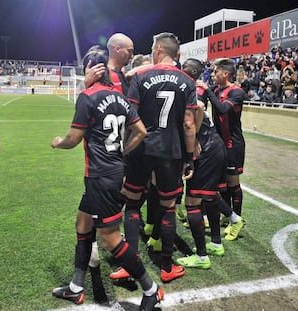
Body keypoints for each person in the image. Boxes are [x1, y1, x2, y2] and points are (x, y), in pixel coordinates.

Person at [51, 47, 164, 310]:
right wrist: (123, 152)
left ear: (90, 70)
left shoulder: (87, 97)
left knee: (110, 238)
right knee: (82, 223)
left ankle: (151, 289)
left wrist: (58, 143)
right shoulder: (120, 97)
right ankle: (77, 288)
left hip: (102, 177)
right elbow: (141, 131)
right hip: (109, 172)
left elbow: (73, 139)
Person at [121, 32, 197, 282]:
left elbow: (129, 120)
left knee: (132, 204)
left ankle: (130, 266)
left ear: (157, 50)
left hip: (141, 148)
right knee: (168, 207)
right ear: (177, 54)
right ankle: (166, 268)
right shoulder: (187, 81)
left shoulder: (140, 75)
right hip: (170, 152)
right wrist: (188, 156)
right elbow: (188, 124)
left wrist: (125, 151)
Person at [175, 58, 244, 270]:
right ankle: (216, 242)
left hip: (209, 148)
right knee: (210, 195)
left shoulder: (192, 88)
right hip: (215, 145)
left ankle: (202, 257)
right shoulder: (195, 86)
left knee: (193, 201)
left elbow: (199, 106)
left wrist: (193, 139)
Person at [196, 58, 245, 239]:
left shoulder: (237, 92)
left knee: (233, 184)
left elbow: (223, 109)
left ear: (225, 74)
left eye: (216, 72)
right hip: (218, 143)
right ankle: (226, 216)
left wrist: (207, 90)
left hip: (233, 144)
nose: (213, 75)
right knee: (221, 183)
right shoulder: (217, 90)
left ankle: (236, 220)